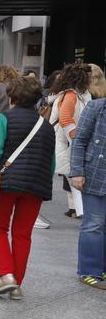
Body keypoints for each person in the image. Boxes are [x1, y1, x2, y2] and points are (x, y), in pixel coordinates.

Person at [0, 76, 56, 300]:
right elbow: (50, 161)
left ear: (12, 96)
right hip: (36, 184)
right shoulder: (46, 125)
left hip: (7, 182)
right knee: (23, 234)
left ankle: (6, 275)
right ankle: (17, 284)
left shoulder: (4, 118)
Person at [71, 96, 106, 288]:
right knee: (94, 224)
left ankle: (103, 268)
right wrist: (77, 171)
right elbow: (80, 140)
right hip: (95, 173)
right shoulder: (96, 107)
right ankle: (89, 271)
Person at [50, 63, 92, 220]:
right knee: (76, 181)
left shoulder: (72, 95)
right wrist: (78, 140)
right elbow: (66, 120)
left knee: (76, 183)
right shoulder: (71, 95)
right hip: (67, 143)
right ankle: (84, 214)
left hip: (65, 143)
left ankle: (83, 213)